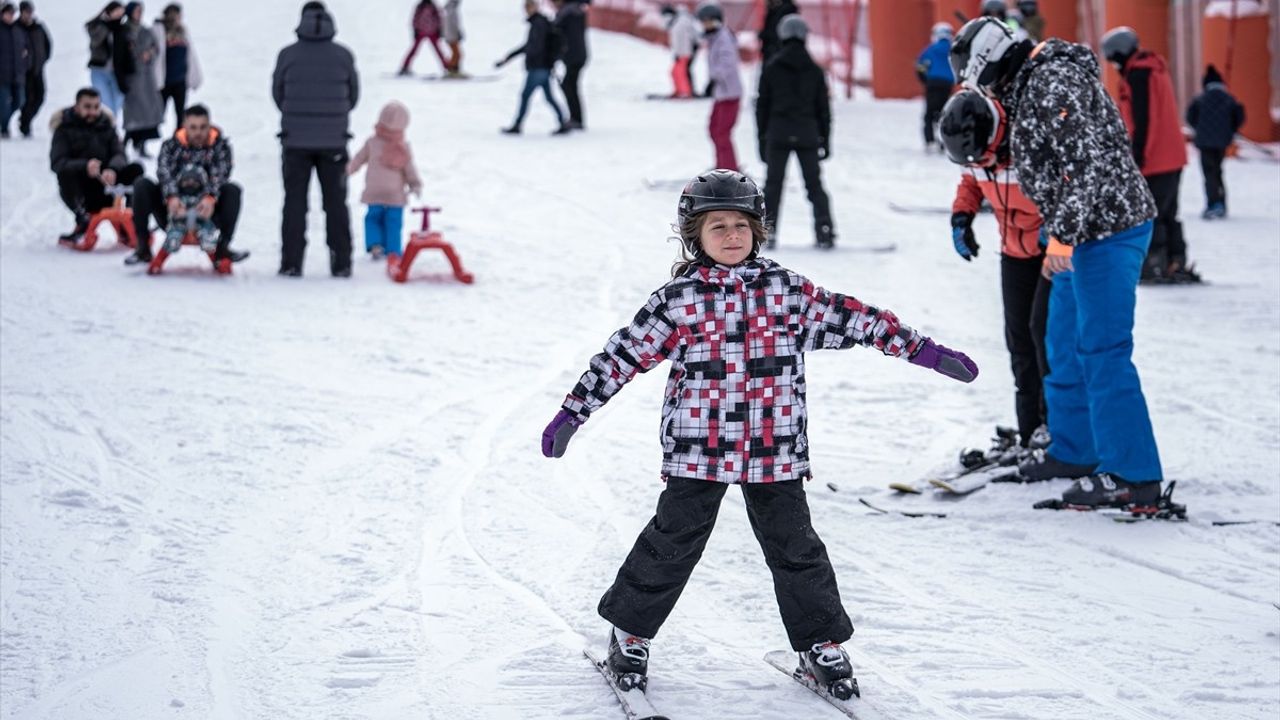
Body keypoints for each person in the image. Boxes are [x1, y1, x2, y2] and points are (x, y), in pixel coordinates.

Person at [540, 169, 978, 698]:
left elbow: (857, 319)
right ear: (695, 236)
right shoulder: (679, 299)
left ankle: (821, 645)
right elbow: (622, 355)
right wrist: (573, 412)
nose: (731, 235)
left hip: (775, 450)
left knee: (796, 548)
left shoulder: (787, 291)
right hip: (698, 450)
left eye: (741, 224)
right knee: (672, 544)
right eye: (717, 225)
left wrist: (925, 351)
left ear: (758, 229)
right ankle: (629, 632)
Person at [951, 17, 1164, 509]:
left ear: (985, 59)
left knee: (1103, 350)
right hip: (1076, 232)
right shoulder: (1030, 83)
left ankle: (1134, 474)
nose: (970, 81)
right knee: (1060, 340)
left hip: (1108, 230)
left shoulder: (1051, 79)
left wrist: (1063, 237)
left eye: (969, 70)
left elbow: (1084, 163)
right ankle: (1074, 448)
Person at [939, 89, 1050, 449]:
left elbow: (1067, 182)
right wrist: (962, 217)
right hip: (1013, 251)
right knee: (1019, 343)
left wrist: (1056, 222)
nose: (981, 162)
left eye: (984, 155)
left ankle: (1058, 427)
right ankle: (1031, 428)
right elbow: (971, 181)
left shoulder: (1029, 140)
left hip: (1052, 255)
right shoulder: (979, 156)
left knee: (1046, 342)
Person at [272, 1, 359, 278]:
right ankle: (342, 262)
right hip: (334, 141)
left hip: (294, 141)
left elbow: (278, 94)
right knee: (335, 203)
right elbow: (353, 97)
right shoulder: (344, 55)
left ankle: (291, 262)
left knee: (294, 202)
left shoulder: (287, 54)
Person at [1101, 26, 1194, 284]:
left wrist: (1138, 156)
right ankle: (1175, 260)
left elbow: (1144, 119)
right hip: (1172, 155)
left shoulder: (1139, 75)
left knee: (1150, 212)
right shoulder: (1154, 69)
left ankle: (1154, 263)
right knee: (1167, 212)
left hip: (1156, 158)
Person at [125, 104, 248, 267]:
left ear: (209, 125)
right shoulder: (171, 145)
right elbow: (164, 172)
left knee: (233, 190)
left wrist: (210, 197)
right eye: (193, 127)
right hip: (172, 212)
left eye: (203, 127)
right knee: (142, 185)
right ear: (184, 126)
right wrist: (172, 197)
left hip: (208, 212)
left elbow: (221, 174)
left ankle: (223, 247)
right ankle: (143, 247)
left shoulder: (220, 146)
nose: (198, 132)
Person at [756, 14, 832, 249]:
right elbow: (824, 110)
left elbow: (762, 107)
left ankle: (768, 231)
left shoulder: (771, 68)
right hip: (807, 133)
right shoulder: (815, 70)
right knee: (814, 185)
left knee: (773, 186)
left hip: (778, 133)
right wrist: (825, 140)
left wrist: (761, 139)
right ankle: (825, 230)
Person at [49, 87, 145, 242]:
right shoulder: (64, 130)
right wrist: (84, 166)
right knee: (64, 173)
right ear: (77, 107)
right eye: (87, 107)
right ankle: (82, 218)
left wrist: (112, 169)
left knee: (136, 169)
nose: (92, 112)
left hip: (108, 186)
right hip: (83, 190)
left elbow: (120, 153)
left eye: (96, 107)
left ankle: (132, 217)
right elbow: (57, 162)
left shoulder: (106, 126)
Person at [346, 100, 423, 259]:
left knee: (373, 218)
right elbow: (409, 169)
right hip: (395, 194)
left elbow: (358, 160)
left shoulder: (372, 142)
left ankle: (375, 244)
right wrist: (415, 184)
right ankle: (393, 250)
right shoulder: (402, 146)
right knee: (393, 222)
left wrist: (347, 170)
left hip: (374, 190)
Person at [495, 0, 569, 136]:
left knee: (525, 96)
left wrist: (533, 60)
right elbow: (529, 46)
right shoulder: (539, 23)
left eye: (528, 7)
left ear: (534, 7)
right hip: (543, 67)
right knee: (549, 97)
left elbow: (534, 47)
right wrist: (509, 57)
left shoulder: (539, 24)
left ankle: (517, 125)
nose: (526, 10)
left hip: (538, 67)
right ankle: (563, 122)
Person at [1185, 64, 1245, 220]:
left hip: (1204, 142)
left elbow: (1190, 117)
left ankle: (1213, 204)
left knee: (1209, 173)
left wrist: (1199, 129)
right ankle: (1222, 203)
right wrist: (1230, 131)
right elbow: (1239, 115)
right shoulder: (1229, 99)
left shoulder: (1200, 100)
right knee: (1218, 171)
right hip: (1222, 142)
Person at [698, 2, 742, 171]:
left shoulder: (723, 39)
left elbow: (727, 65)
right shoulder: (715, 38)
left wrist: (713, 79)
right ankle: (721, 165)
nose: (703, 25)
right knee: (713, 129)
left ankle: (730, 170)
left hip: (729, 94)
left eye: (706, 21)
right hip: (721, 93)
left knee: (722, 133)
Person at [121, 2, 163, 158]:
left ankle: (141, 144)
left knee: (147, 113)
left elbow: (155, 48)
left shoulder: (145, 31)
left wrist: (149, 54)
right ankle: (124, 144)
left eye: (141, 11)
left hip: (146, 77)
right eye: (137, 11)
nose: (139, 14)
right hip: (131, 78)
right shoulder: (124, 31)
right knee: (132, 114)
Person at [151, 3, 203, 128]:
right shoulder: (159, 30)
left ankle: (179, 140)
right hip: (164, 82)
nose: (180, 17)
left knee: (181, 114)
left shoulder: (183, 31)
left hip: (180, 81)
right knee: (158, 113)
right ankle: (145, 139)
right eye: (178, 15)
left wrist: (194, 76)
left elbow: (191, 55)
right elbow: (154, 52)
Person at [85, 2, 130, 118]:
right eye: (117, 11)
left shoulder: (123, 28)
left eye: (121, 12)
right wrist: (106, 24)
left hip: (117, 72)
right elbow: (96, 40)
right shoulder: (97, 26)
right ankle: (110, 129)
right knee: (106, 104)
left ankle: (110, 127)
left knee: (118, 102)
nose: (119, 14)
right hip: (99, 70)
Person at [916, 22, 954, 153]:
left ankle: (930, 140)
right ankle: (944, 141)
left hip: (932, 84)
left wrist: (924, 80)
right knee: (944, 114)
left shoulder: (930, 49)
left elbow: (920, 66)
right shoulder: (953, 49)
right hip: (947, 85)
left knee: (929, 114)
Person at [553, 0, 588, 131]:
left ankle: (576, 119)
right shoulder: (576, 11)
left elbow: (562, 36)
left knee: (569, 85)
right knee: (570, 85)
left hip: (574, 56)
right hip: (577, 55)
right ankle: (576, 118)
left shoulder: (568, 14)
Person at [16, 2, 50, 139]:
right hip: (24, 71)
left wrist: (42, 60)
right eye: (25, 11)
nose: (28, 14)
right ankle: (25, 125)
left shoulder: (39, 27)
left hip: (38, 69)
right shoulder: (17, 28)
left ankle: (25, 120)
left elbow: (48, 45)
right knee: (28, 99)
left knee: (40, 97)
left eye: (30, 11)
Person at [659, 4, 700, 99]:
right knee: (677, 71)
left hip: (686, 51)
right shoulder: (677, 21)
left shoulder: (681, 23)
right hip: (683, 51)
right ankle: (681, 90)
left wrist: (682, 54)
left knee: (680, 71)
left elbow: (685, 40)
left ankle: (685, 91)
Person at [0, 2, 27, 139]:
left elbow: (26, 49)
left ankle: (3, 123)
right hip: (2, 76)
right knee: (4, 104)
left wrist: (26, 64)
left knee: (20, 101)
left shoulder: (18, 29)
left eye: (12, 13)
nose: (11, 16)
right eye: (8, 13)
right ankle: (4, 129)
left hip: (18, 74)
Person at [399, 0, 447, 76]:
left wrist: (415, 29)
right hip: (428, 31)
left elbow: (415, 18)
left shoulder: (424, 6)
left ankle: (405, 66)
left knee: (415, 50)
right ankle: (447, 67)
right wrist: (439, 29)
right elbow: (439, 19)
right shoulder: (428, 6)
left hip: (426, 31)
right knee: (438, 51)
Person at [757, 0, 798, 66]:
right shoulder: (773, 10)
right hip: (772, 54)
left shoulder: (786, 10)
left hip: (778, 55)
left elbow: (776, 33)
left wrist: (765, 35)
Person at [442, 0, 463, 74]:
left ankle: (454, 69)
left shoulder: (450, 10)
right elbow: (453, 25)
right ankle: (452, 69)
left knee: (456, 53)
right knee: (457, 54)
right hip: (452, 36)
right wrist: (457, 33)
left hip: (451, 35)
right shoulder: (451, 11)